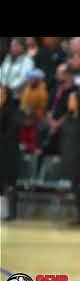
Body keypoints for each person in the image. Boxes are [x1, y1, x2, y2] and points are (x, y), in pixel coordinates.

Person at [60, 90, 80, 227]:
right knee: (73, 188)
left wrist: (77, 154)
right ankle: (79, 215)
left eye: (72, 100)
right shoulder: (68, 118)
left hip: (78, 159)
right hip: (68, 156)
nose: (69, 102)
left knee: (77, 187)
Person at [0, 87, 23, 221]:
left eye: (2, 94)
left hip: (9, 152)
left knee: (9, 183)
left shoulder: (13, 111)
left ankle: (12, 213)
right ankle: (2, 212)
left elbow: (12, 132)